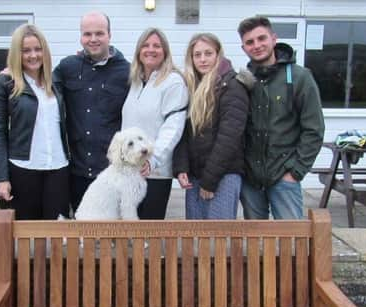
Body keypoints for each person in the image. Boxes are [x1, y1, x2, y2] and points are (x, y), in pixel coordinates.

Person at [237, 16, 325, 219]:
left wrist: (295, 171)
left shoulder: (300, 77)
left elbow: (314, 129)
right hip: (251, 179)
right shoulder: (243, 81)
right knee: (255, 243)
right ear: (244, 48)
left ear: (273, 39)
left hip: (284, 177)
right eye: (250, 42)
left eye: (261, 39)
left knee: (291, 241)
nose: (257, 45)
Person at [0, 24, 70, 220]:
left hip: (58, 168)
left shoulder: (55, 81)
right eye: (26, 50)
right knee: (25, 235)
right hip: (23, 170)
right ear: (17, 53)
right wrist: (1, 178)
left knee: (58, 233)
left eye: (37, 49)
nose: (33, 55)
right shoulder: (5, 83)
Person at [53, 11, 130, 214]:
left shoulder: (128, 71)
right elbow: (41, 86)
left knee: (112, 235)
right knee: (82, 233)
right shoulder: (67, 67)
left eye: (99, 33)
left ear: (109, 35)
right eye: (87, 34)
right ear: (81, 37)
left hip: (112, 172)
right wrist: (14, 74)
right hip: (77, 171)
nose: (93, 39)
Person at [173, 33, 248, 219]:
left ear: (218, 54)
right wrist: (181, 167)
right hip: (197, 176)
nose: (203, 59)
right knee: (197, 237)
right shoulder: (191, 86)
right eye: (197, 55)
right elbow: (184, 132)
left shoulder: (232, 85)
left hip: (222, 176)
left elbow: (229, 138)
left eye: (208, 53)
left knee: (217, 241)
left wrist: (210, 181)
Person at [121, 28, 188, 219]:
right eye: (146, 45)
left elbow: (173, 128)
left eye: (157, 46)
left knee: (148, 234)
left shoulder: (173, 82)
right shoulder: (135, 82)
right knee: (128, 229)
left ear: (165, 51)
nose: (151, 50)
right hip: (129, 170)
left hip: (154, 172)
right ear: (138, 51)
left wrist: (153, 159)